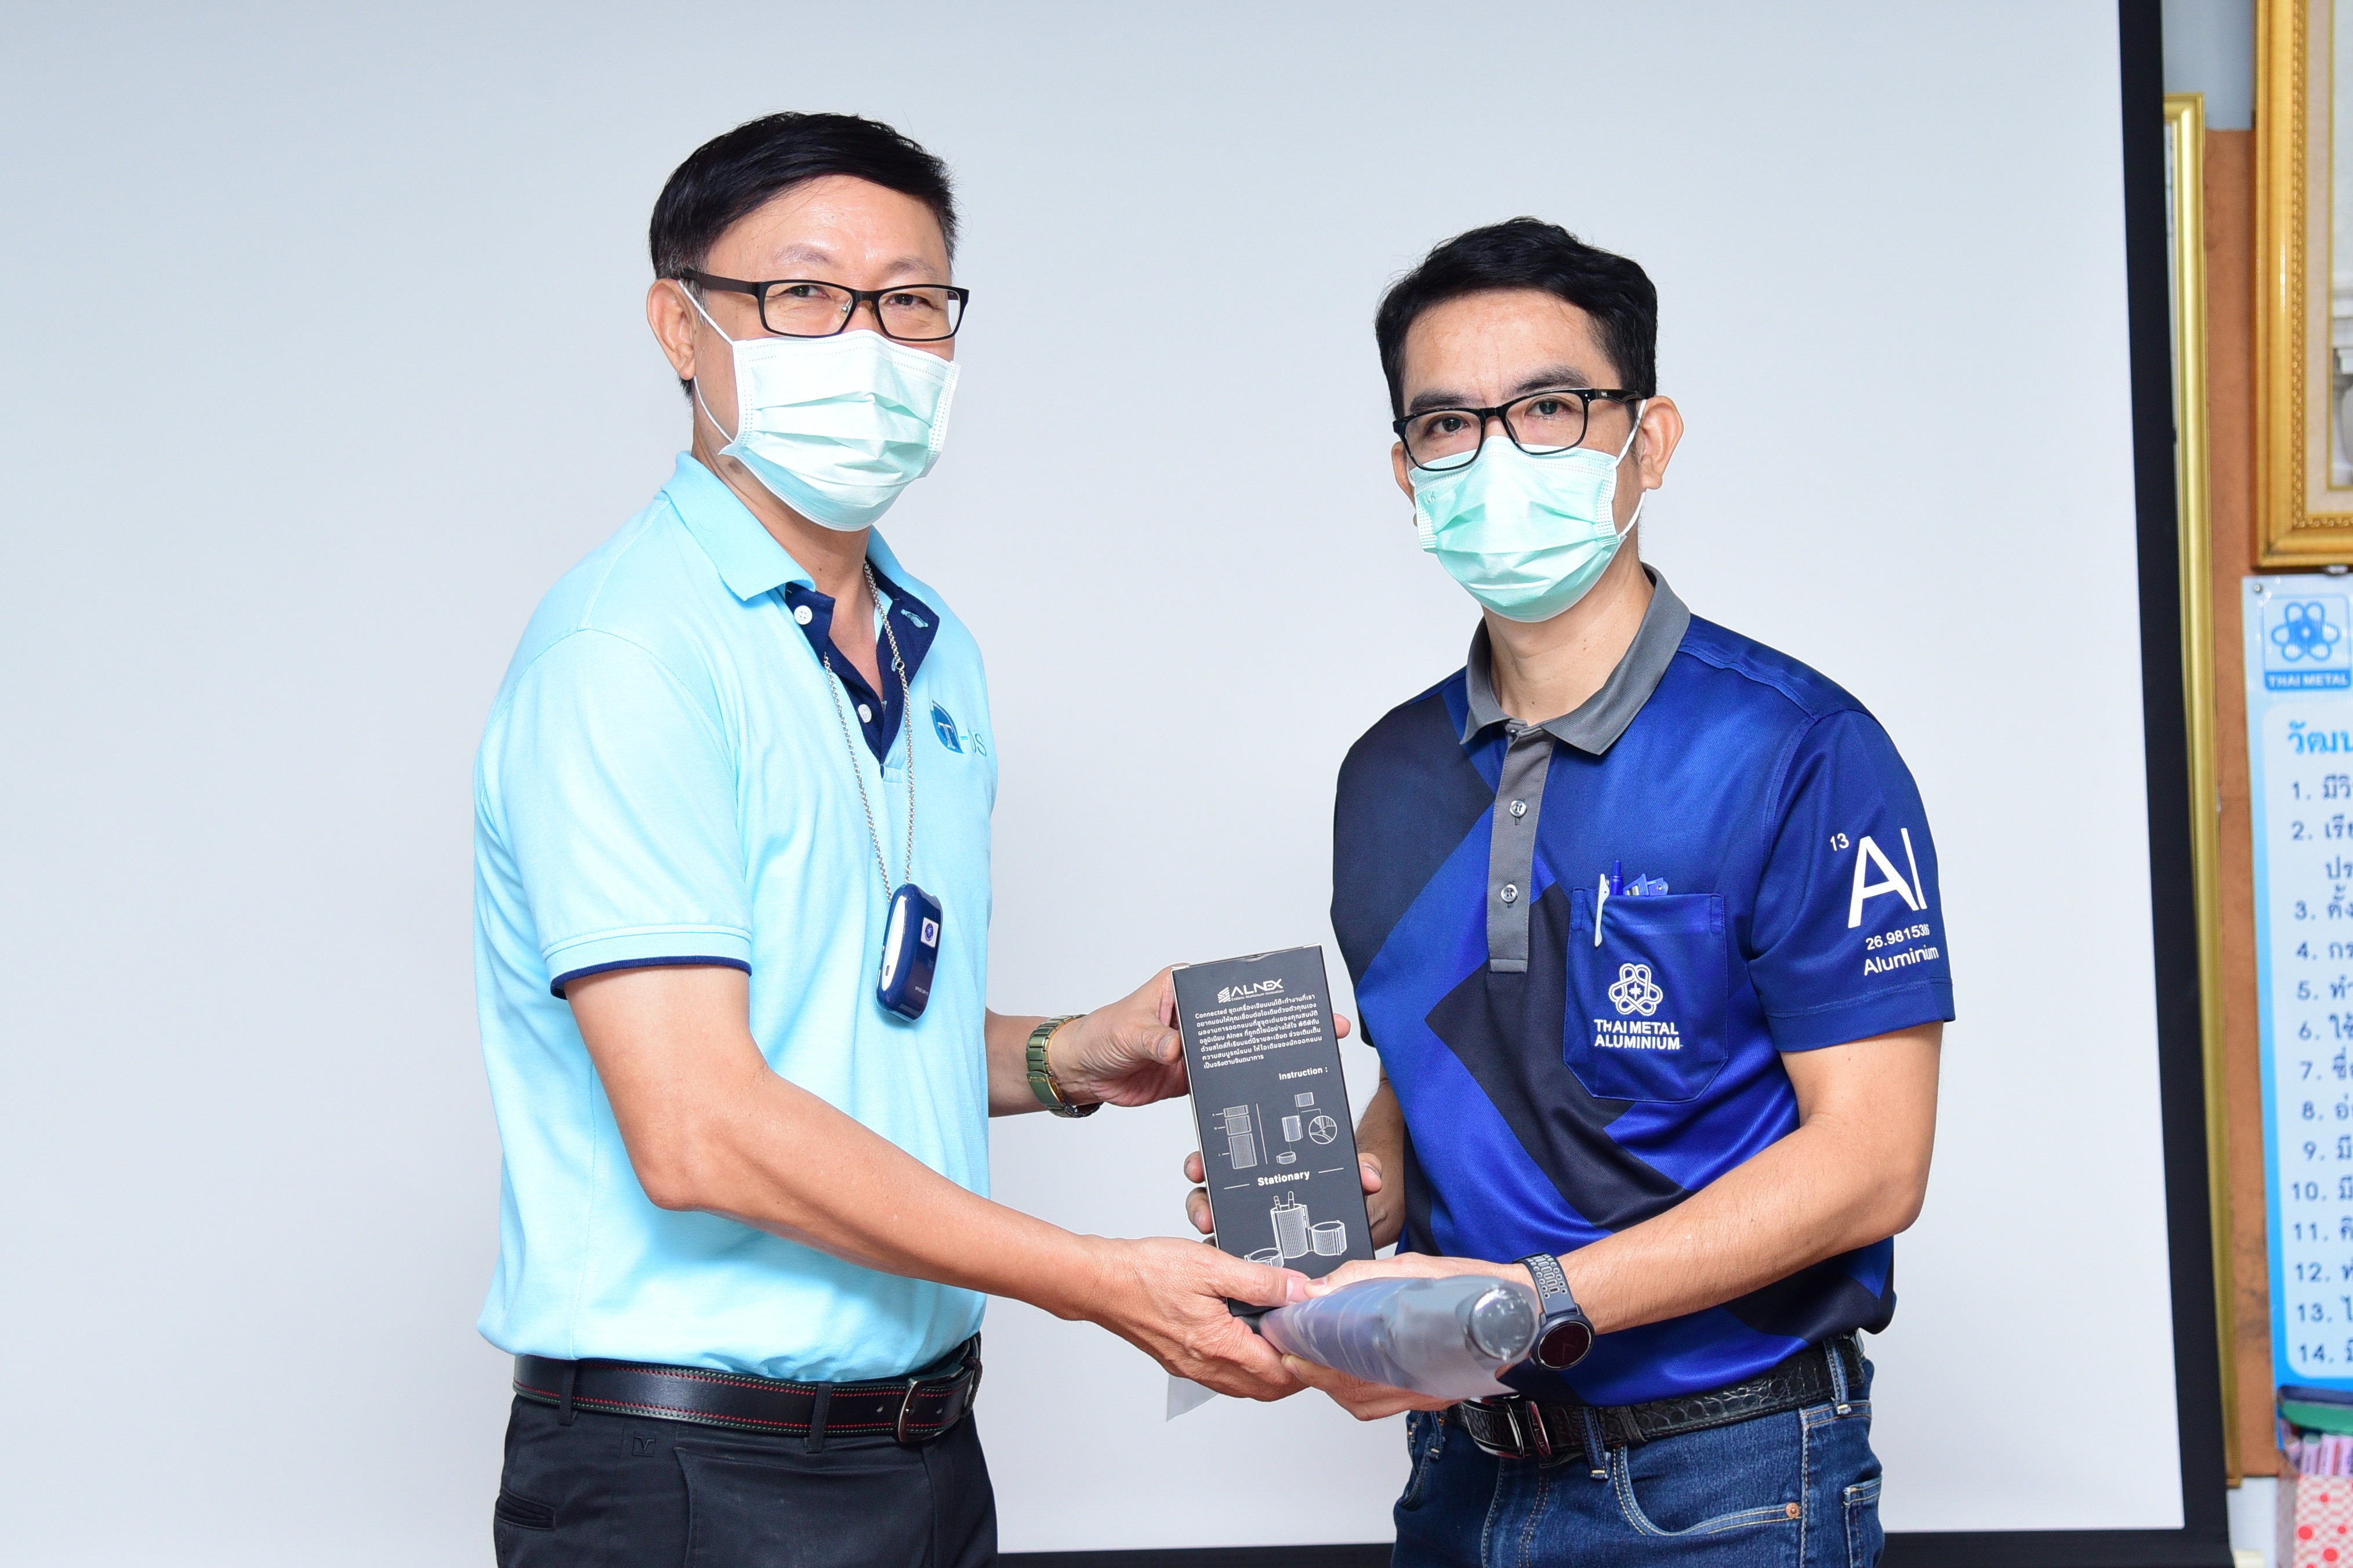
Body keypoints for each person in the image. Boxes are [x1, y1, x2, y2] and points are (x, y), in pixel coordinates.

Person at [474, 112, 1308, 1567]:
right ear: (679, 325)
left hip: (923, 1450)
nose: (867, 342)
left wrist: (1069, 1055)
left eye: (911, 300)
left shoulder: (936, 650)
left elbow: (840, 1034)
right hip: (689, 1476)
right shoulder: (628, 654)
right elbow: (700, 1124)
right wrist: (1098, 1279)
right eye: (804, 293)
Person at [1188, 219, 1950, 1565]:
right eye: (1447, 424)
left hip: (1728, 1480)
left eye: (1547, 408)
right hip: (1461, 1470)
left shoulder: (1797, 750)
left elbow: (1872, 1163)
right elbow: (1446, 1072)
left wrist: (1527, 1298)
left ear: (1648, 441)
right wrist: (1354, 1195)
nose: (1496, 457)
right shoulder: (1384, 775)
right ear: (1405, 471)